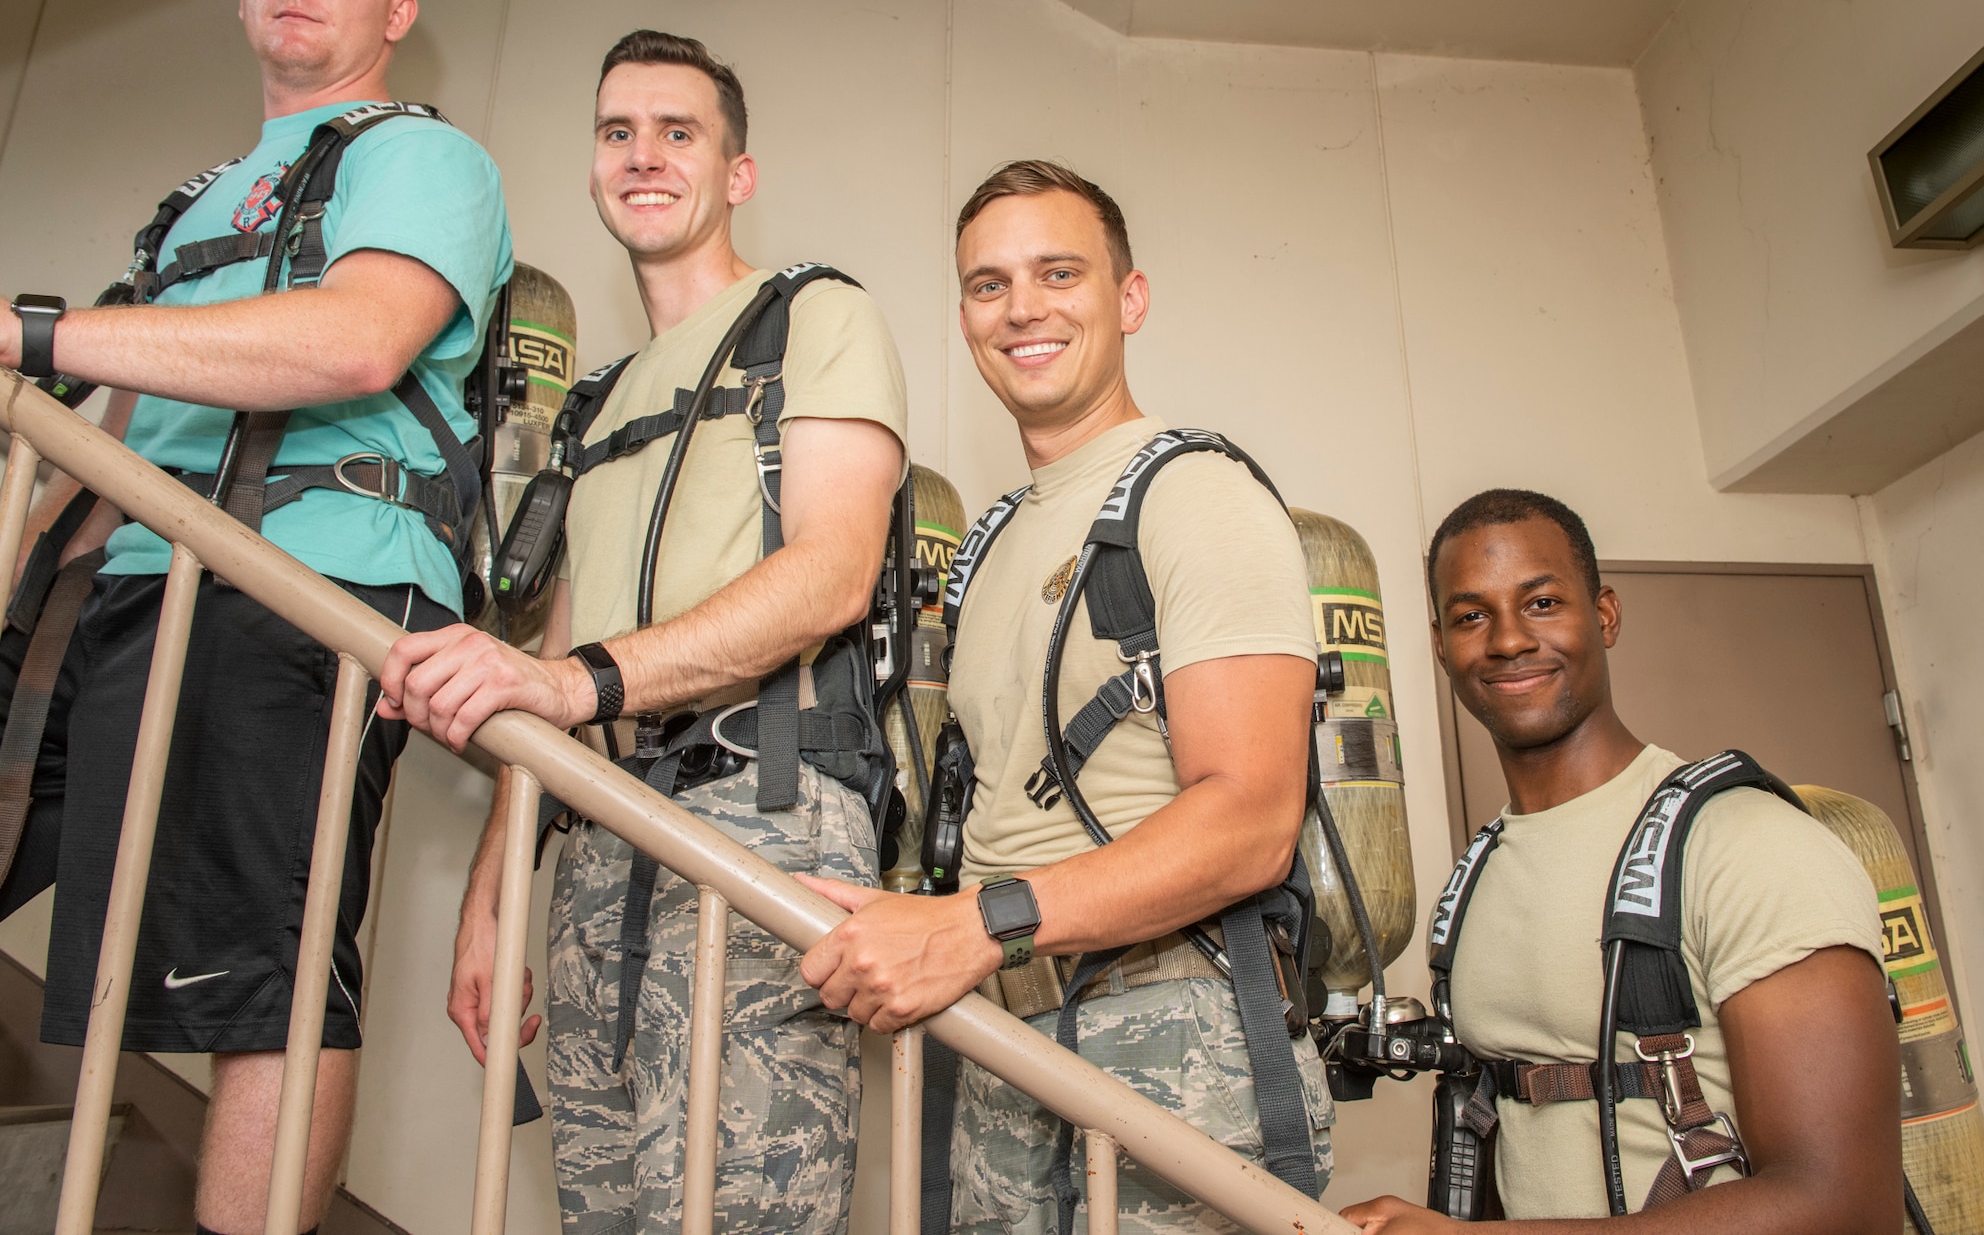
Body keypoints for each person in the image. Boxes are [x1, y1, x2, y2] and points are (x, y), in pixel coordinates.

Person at [0, 0, 513, 1235]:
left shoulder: (420, 158)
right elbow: (116, 435)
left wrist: (28, 334)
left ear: (394, 11)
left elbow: (356, 339)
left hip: (305, 589)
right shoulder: (195, 204)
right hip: (125, 601)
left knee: (256, 985)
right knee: (91, 945)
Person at [376, 29, 908, 1234]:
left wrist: (574, 685)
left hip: (760, 815)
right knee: (601, 1212)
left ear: (737, 172)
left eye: (680, 131)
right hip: (598, 847)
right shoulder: (594, 401)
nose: (644, 155)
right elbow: (550, 654)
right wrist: (494, 890)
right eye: (618, 132)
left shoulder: (811, 316)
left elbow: (829, 572)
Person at [795, 160, 1333, 1232]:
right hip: (1003, 1044)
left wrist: (975, 928)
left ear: (1128, 299)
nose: (1021, 308)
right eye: (988, 284)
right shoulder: (990, 539)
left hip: (1175, 1038)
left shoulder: (1198, 495)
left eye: (1057, 271)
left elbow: (1250, 824)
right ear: (962, 317)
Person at [1342, 489, 1900, 1233]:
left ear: (1603, 614)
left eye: (1541, 603)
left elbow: (1844, 1207)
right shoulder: (1476, 878)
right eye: (1473, 615)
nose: (1507, 639)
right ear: (1442, 644)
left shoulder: (1749, 846)